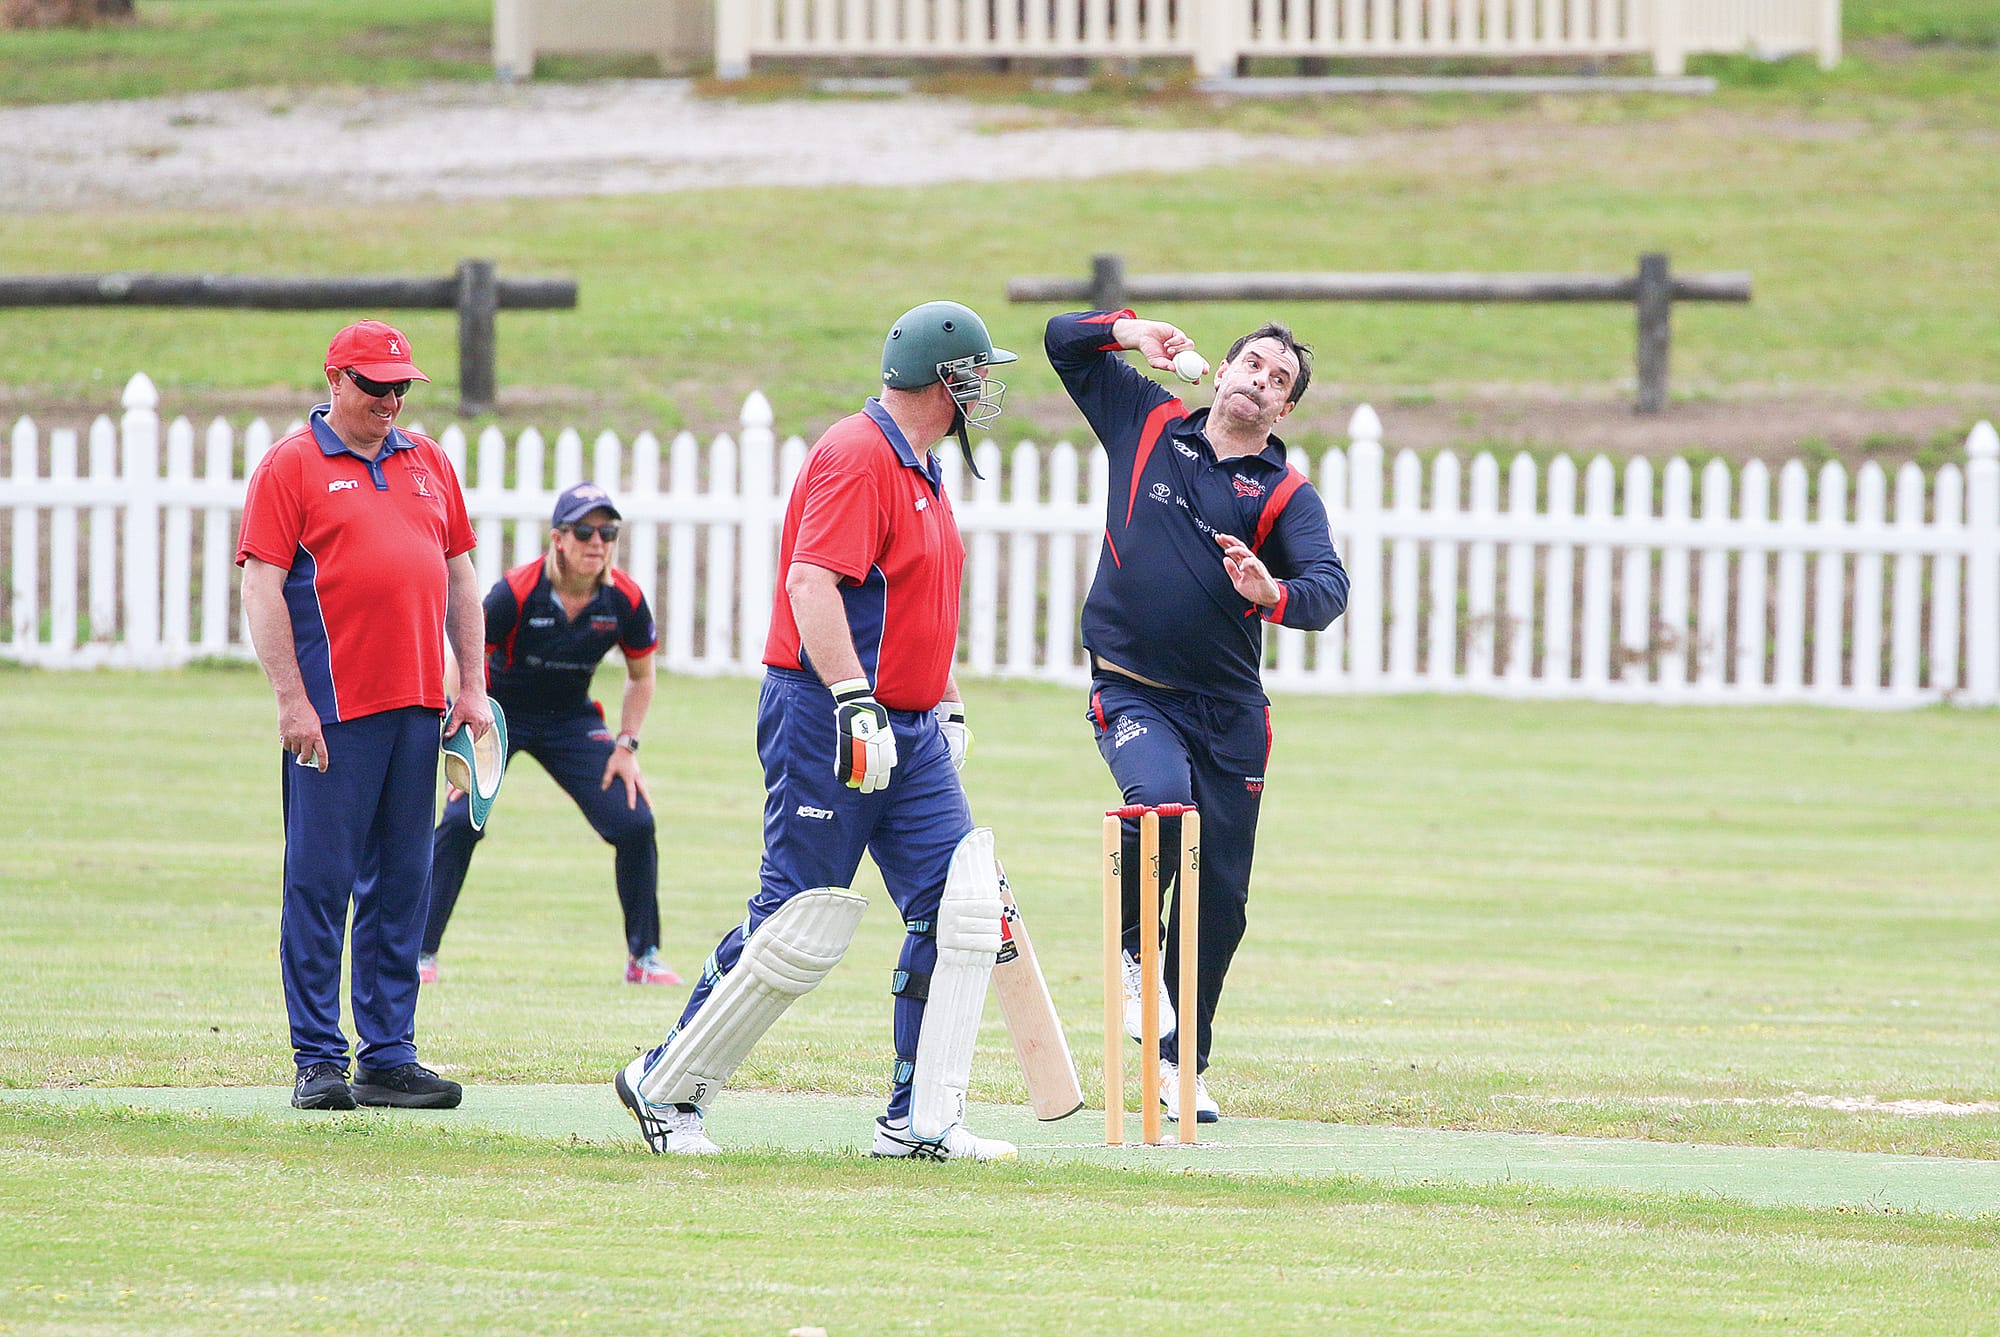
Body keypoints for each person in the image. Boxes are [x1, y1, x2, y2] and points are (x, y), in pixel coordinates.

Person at [614, 300, 1018, 1160]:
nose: (984, 389)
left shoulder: (921, 466)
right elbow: (811, 583)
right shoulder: (856, 452)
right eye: (976, 373)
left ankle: (919, 1120)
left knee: (962, 909)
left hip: (906, 725)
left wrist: (939, 705)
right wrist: (852, 697)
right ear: (943, 378)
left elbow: (918, 603)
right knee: (796, 917)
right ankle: (665, 1084)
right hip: (832, 713)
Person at [1046, 309, 1349, 1124]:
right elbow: (1058, 340)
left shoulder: (1283, 493)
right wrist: (1129, 331)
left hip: (1231, 713)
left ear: (1284, 412)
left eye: (1279, 381)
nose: (1261, 380)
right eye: (1253, 364)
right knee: (1159, 803)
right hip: (1134, 687)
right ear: (1221, 371)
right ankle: (1133, 951)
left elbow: (1329, 589)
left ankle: (1182, 1066)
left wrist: (1270, 592)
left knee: (1221, 896)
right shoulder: (1145, 422)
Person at [237, 319, 493, 1112]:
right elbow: (261, 586)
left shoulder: (429, 464)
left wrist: (473, 682)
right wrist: (291, 701)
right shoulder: (291, 466)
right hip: (334, 715)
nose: (392, 400)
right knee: (319, 881)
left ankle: (388, 1055)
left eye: (402, 387)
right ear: (336, 380)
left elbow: (459, 579)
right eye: (377, 386)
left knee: (404, 885)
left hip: (418, 708)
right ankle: (318, 1056)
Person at [420, 482, 680, 988]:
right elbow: (460, 659)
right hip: (499, 713)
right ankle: (419, 954)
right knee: (459, 822)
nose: (597, 542)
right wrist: (466, 733)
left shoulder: (624, 599)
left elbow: (641, 676)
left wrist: (627, 746)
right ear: (558, 538)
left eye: (608, 532)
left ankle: (643, 958)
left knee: (634, 823)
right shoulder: (515, 592)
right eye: (585, 530)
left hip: (570, 718)